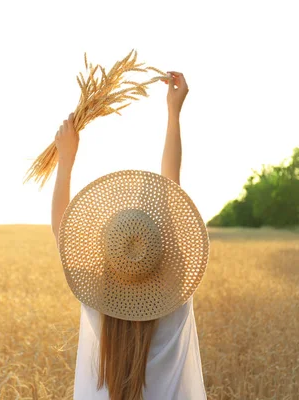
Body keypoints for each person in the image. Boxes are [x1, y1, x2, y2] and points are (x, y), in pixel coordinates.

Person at [51, 72, 208, 400]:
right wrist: (173, 113)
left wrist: (65, 160)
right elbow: (171, 184)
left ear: (107, 252)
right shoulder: (175, 293)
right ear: (159, 248)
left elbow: (61, 229)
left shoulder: (97, 299)